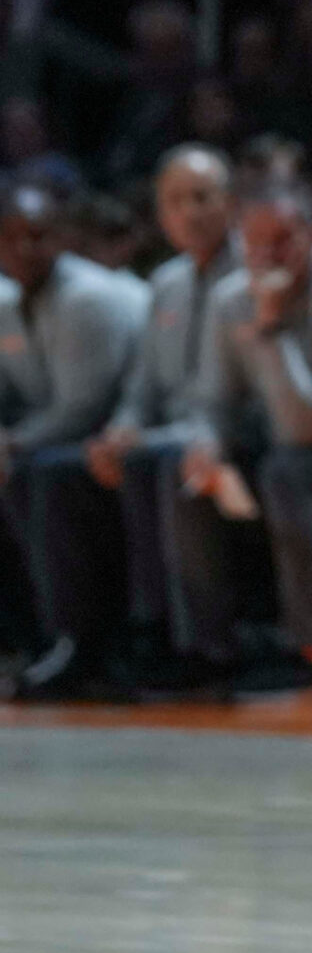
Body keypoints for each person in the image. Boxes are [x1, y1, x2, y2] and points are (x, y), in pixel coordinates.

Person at [178, 177, 312, 695]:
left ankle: (311, 647)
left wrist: (271, 330)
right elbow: (211, 400)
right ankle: (207, 650)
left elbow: (309, 427)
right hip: (287, 443)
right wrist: (206, 444)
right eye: (255, 242)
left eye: (283, 239)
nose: (268, 255)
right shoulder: (229, 299)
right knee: (182, 473)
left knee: (287, 473)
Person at [83, 146, 238, 690]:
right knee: (103, 459)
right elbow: (142, 385)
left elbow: (237, 398)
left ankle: (204, 645)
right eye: (175, 201)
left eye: (202, 197)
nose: (190, 212)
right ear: (161, 214)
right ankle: (123, 633)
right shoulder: (166, 283)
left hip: (233, 437)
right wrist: (122, 426)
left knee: (169, 463)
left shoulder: (251, 274)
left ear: (229, 202)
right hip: (169, 435)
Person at [0, 181, 148, 697]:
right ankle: (26, 640)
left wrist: (11, 443)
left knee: (39, 476)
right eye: (11, 237)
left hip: (123, 432)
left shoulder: (87, 298)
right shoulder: (9, 303)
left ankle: (77, 642)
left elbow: (82, 409)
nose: (25, 248)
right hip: (71, 441)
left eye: (38, 235)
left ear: (62, 237)